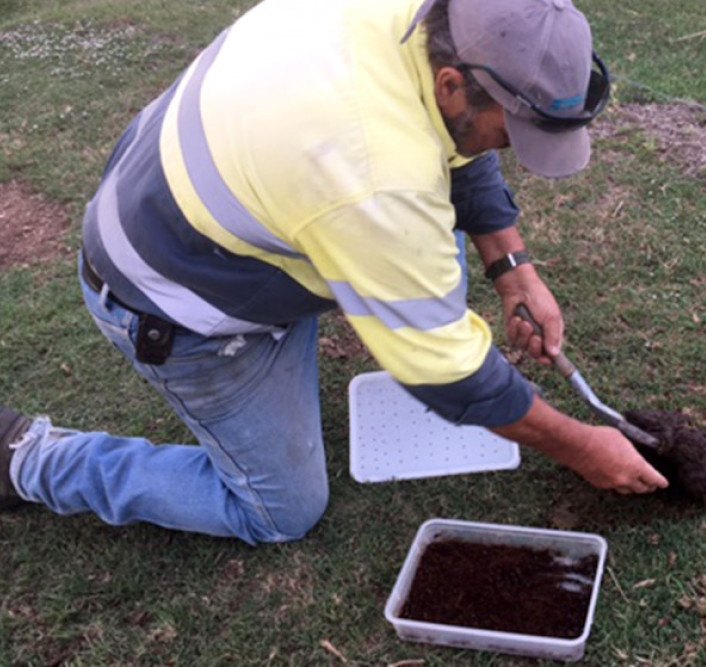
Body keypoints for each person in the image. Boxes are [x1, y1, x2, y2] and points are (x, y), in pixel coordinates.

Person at [0, 0, 668, 544]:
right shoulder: (376, 178)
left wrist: (514, 268)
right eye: (513, 131)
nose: (513, 150)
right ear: (451, 82)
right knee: (279, 511)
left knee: (428, 256)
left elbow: (463, 139)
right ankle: (30, 459)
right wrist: (581, 446)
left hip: (198, 198)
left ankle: (365, 294)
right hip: (170, 297)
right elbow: (450, 374)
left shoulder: (426, 23)